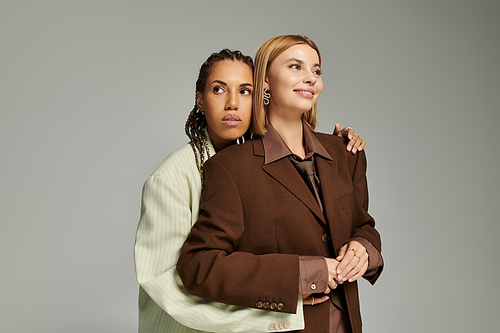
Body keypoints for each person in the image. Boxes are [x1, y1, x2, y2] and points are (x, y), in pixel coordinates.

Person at [135, 49, 366, 332]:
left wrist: (339, 147)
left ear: (260, 96)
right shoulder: (169, 179)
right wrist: (279, 311)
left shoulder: (254, 160)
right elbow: (168, 285)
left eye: (245, 91)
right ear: (199, 99)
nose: (232, 103)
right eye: (219, 89)